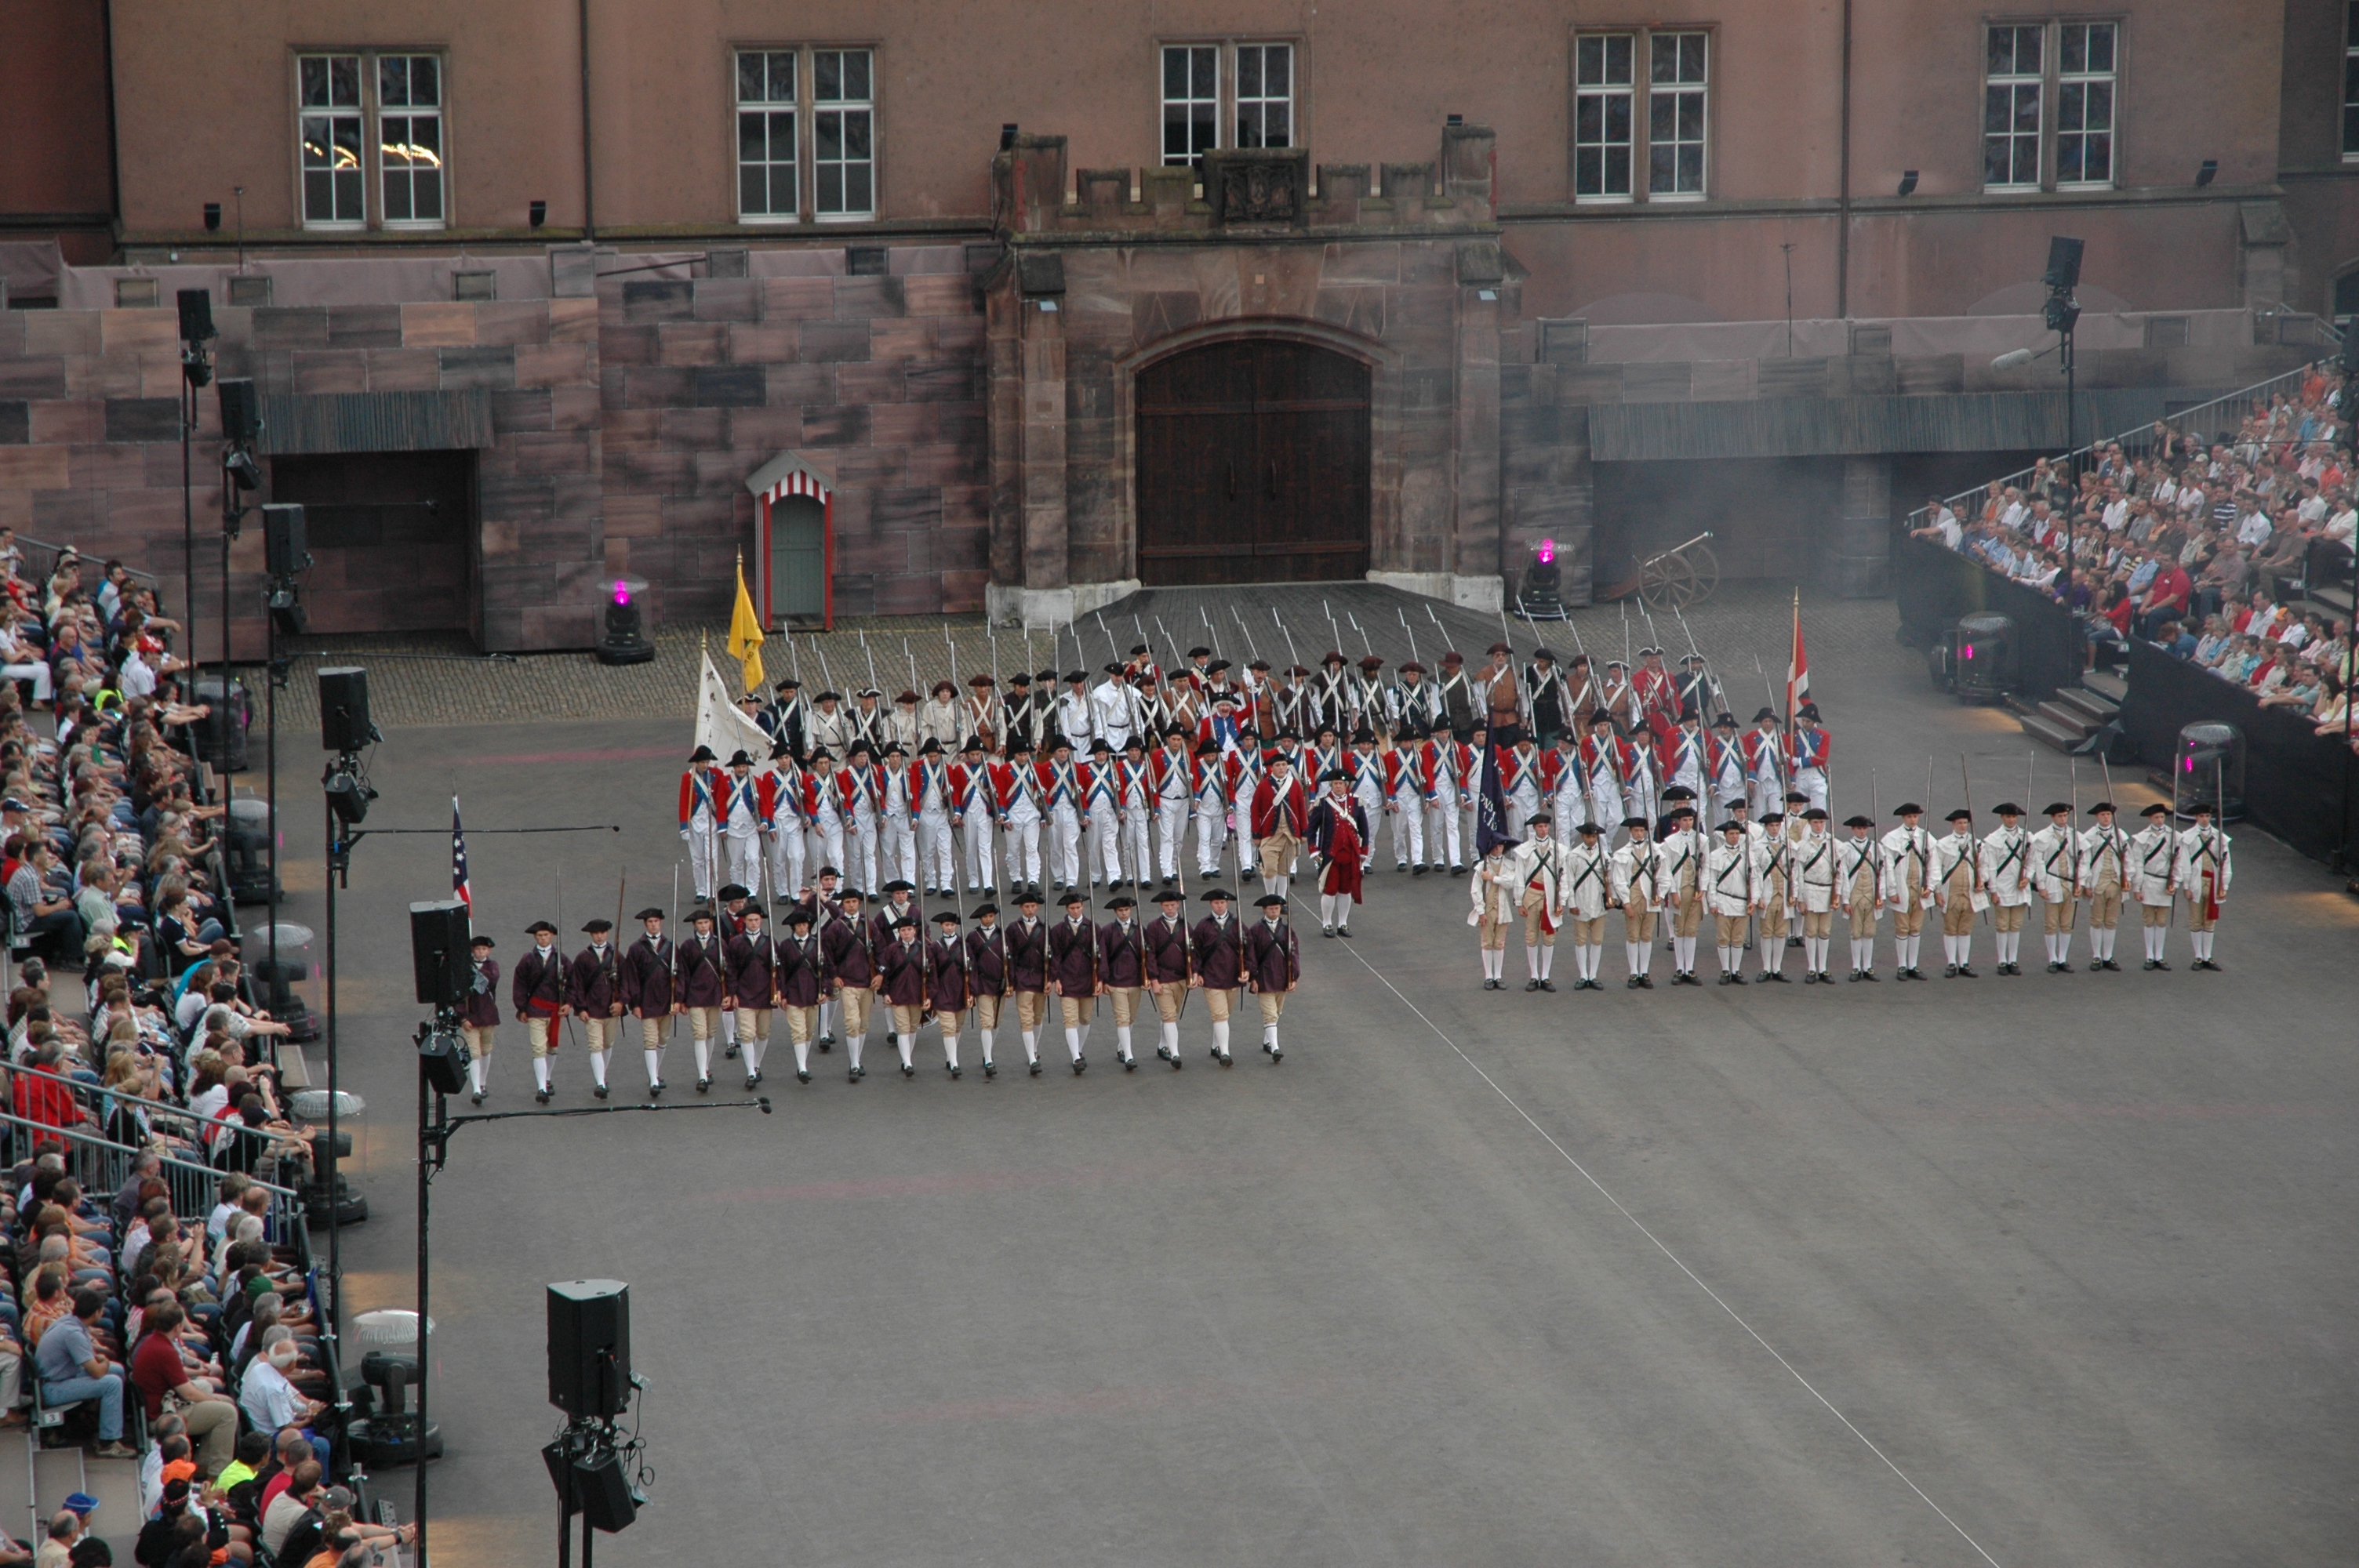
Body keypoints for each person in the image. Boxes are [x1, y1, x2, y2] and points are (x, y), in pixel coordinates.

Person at [129, 1300, 238, 1476]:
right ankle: (216, 1474)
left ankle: (202, 1464)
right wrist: (213, 1400)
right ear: (179, 1327)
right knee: (227, 1412)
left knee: (224, 1400)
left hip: (168, 1399)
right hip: (165, 1415)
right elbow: (188, 1392)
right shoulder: (164, 1350)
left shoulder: (155, 1340)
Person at [34, 1290, 133, 1459]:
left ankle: (105, 1421)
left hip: (63, 1377)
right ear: (96, 1313)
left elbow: (91, 1358)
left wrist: (102, 1362)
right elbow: (96, 1371)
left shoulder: (71, 1321)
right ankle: (107, 1443)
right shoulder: (73, 1334)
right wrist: (105, 1361)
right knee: (112, 1382)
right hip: (54, 1388)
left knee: (118, 1370)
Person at [511, 919, 569, 1104]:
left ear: (551, 936)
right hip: (535, 1009)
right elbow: (519, 985)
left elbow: (573, 983)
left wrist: (568, 1003)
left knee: (552, 1047)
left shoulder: (562, 959)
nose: (543, 938)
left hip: (555, 1009)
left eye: (545, 935)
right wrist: (521, 1008)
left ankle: (547, 1078)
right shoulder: (527, 960)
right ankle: (541, 1088)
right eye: (539, 936)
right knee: (538, 1048)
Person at [822, 887, 878, 1080]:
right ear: (843, 905)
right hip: (847, 982)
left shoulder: (870, 924)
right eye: (847, 902)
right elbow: (828, 954)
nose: (851, 905)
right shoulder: (836, 927)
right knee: (852, 1023)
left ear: (859, 903)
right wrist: (834, 975)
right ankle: (854, 1064)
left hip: (867, 982)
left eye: (854, 902)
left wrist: (880, 974)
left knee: (863, 1024)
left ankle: (857, 1059)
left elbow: (881, 950)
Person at [1307, 768, 1370, 938]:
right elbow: (1312, 829)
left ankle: (1343, 923)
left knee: (1346, 890)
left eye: (1341, 784)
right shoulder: (1323, 803)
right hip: (1330, 854)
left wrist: (1364, 851)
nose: (1338, 787)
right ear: (1331, 785)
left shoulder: (1356, 802)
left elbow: (1364, 828)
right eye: (1335, 784)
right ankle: (1327, 923)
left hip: (1350, 854)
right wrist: (1313, 849)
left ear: (1346, 785)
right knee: (1330, 890)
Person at [618, 907, 674, 1095]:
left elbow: (679, 975)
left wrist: (678, 999)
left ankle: (656, 1073)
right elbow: (631, 977)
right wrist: (634, 1004)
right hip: (646, 1001)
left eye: (656, 921)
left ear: (661, 923)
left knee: (663, 1039)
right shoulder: (635, 948)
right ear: (645, 924)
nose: (653, 925)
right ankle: (653, 1080)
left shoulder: (671, 946)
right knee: (650, 1040)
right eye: (650, 922)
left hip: (666, 1001)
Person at [722, 903, 778, 1087]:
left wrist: (778, 990)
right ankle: (750, 1072)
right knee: (747, 1035)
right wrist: (733, 992)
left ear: (760, 921)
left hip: (765, 994)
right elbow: (731, 970)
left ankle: (756, 1065)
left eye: (756, 920)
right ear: (744, 921)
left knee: (763, 1033)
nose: (754, 923)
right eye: (750, 920)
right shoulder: (736, 942)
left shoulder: (770, 942)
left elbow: (778, 970)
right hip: (744, 994)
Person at [1507, 813, 1564, 992]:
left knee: (1549, 936)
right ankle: (1534, 975)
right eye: (1540, 827)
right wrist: (1519, 902)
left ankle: (1546, 976)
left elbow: (1564, 877)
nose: (1543, 829)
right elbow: (1519, 877)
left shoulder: (1558, 849)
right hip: (1531, 895)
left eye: (1546, 827)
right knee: (1531, 935)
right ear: (1534, 829)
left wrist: (1562, 900)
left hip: (1551, 896)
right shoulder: (1524, 849)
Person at [568, 919, 623, 1098]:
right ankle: (600, 1082)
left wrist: (621, 1002)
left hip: (611, 1008)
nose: (599, 936)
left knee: (607, 1044)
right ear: (591, 935)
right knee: (596, 1046)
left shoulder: (617, 956)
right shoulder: (582, 958)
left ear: (607, 934)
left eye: (602, 933)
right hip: (591, 1009)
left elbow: (626, 981)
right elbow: (577, 986)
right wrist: (581, 1008)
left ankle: (603, 1076)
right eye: (596, 933)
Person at [2174, 800, 2232, 971]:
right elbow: (2185, 863)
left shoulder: (2220, 837)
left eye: (2207, 816)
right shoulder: (2188, 837)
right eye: (2201, 816)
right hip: (2196, 881)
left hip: (2214, 882)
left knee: (2209, 921)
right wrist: (2186, 886)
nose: (2205, 819)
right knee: (2195, 920)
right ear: (2196, 817)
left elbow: (2226, 863)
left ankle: (2208, 956)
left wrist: (2224, 885)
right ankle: (2198, 956)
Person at [674, 908, 727, 1091]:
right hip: (695, 996)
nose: (704, 926)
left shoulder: (720, 944)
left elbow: (726, 971)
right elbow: (683, 974)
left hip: (714, 994)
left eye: (706, 923)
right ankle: (702, 1076)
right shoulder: (688, 946)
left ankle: (706, 1067)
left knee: (711, 1033)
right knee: (700, 1034)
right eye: (700, 923)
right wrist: (681, 999)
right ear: (694, 926)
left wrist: (727, 993)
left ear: (710, 924)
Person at [1608, 815, 1664, 989]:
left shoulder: (1656, 851)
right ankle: (1633, 973)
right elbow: (1619, 880)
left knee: (1646, 936)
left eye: (1642, 830)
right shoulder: (1622, 854)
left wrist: (1660, 894)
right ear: (1631, 832)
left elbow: (1664, 876)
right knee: (1633, 936)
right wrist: (1626, 902)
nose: (1640, 834)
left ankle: (1644, 972)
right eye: (1636, 831)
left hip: (1650, 899)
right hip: (1633, 899)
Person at [1047, 890, 1100, 1073]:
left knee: (1085, 1018)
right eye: (1072, 908)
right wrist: (1057, 979)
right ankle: (1076, 1058)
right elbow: (1056, 957)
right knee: (1070, 1020)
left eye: (1078, 907)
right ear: (1067, 909)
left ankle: (1078, 1049)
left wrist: (1099, 979)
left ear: (1083, 907)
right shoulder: (1058, 930)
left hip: (1087, 979)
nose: (1075, 911)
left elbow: (1099, 957)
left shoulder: (1094, 928)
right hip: (1067, 979)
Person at [1190, 889, 1245, 1064]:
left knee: (1225, 1014)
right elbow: (1195, 951)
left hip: (1232, 977)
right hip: (1211, 977)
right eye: (1216, 903)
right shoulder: (1203, 926)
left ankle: (1216, 1045)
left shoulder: (1238, 925)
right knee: (1220, 1015)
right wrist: (1196, 972)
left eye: (1222, 903)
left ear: (1227, 903)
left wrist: (1248, 970)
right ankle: (1225, 1053)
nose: (1220, 906)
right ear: (1211, 905)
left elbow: (1248, 949)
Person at [1880, 804, 1934, 980]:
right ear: (1903, 818)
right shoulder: (1892, 838)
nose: (1913, 820)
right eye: (1909, 817)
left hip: (1919, 888)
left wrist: (1931, 886)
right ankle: (1902, 965)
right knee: (1902, 928)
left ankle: (1913, 965)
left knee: (1916, 927)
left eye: (1915, 817)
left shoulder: (1926, 837)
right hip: (1902, 888)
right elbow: (1888, 867)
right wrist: (1892, 890)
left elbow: (1934, 864)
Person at [1979, 804, 2034, 975]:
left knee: (2016, 925)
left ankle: (2013, 960)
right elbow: (1991, 868)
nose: (2011, 820)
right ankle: (2002, 961)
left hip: (2019, 888)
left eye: (2014, 817)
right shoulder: (1993, 840)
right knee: (2002, 925)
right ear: (2002, 818)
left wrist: (2028, 878)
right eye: (2008, 817)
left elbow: (2033, 861)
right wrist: (1993, 891)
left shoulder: (2027, 837)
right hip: (2002, 887)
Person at [1243, 895, 1299, 1062]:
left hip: (1282, 975)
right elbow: (1250, 956)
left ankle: (1268, 1041)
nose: (1274, 911)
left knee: (1277, 1011)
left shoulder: (1288, 931)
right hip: (1264, 977)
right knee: (1270, 1015)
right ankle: (1275, 1048)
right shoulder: (1256, 930)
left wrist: (1294, 977)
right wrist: (1253, 977)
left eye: (1276, 908)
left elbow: (1294, 955)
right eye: (1270, 909)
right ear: (1264, 910)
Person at [1704, 819, 1761, 984]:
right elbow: (1712, 881)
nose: (1735, 837)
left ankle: (1736, 970)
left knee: (1738, 938)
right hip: (1723, 900)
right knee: (1723, 938)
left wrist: (1754, 900)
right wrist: (1712, 903)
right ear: (1725, 836)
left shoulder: (1748, 855)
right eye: (1732, 834)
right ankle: (1725, 970)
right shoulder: (1715, 855)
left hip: (1742, 901)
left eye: (1737, 834)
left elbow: (1755, 879)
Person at [2026, 804, 2081, 973]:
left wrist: (2081, 882)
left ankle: (2063, 958)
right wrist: (2041, 885)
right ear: (2053, 818)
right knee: (2051, 923)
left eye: (2065, 816)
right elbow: (2038, 862)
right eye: (2060, 816)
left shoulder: (2075, 836)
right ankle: (2052, 958)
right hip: (2052, 881)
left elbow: (2082, 860)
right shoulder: (2042, 837)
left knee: (2066, 924)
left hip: (2070, 882)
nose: (2063, 819)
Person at [774, 904, 826, 1083]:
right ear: (794, 928)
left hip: (812, 992)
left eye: (805, 925)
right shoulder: (786, 946)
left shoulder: (817, 944)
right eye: (799, 925)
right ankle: (803, 1068)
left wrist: (824, 990)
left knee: (809, 1032)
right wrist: (783, 993)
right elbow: (781, 972)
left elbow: (824, 969)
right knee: (798, 1032)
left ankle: (802, 1063)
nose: (803, 928)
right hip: (794, 992)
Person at [1094, 895, 1147, 1069]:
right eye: (1121, 910)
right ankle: (1129, 1055)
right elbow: (1104, 957)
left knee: (1131, 1017)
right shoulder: (1108, 931)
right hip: (1116, 981)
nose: (1124, 913)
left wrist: (1146, 976)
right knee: (1122, 1018)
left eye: (1127, 910)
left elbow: (1146, 956)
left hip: (1135, 980)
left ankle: (1122, 1047)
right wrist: (1105, 979)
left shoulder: (1139, 930)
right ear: (1116, 912)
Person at [1560, 822, 1612, 990]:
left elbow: (1610, 880)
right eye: (1589, 836)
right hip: (1580, 902)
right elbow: (1568, 881)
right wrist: (1572, 903)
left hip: (1598, 902)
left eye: (1594, 836)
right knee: (1581, 940)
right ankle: (1583, 975)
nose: (1591, 840)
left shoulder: (1604, 856)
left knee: (1597, 940)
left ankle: (1594, 975)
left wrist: (1611, 899)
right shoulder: (1573, 855)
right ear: (1583, 837)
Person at [2077, 801, 2129, 971]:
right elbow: (2084, 862)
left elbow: (2128, 859)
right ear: (2097, 817)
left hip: (2114, 882)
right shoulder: (2089, 836)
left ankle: (2108, 956)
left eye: (2108, 815)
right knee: (2097, 920)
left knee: (2111, 921)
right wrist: (2085, 883)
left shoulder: (2120, 835)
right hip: (2097, 883)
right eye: (2103, 815)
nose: (2106, 818)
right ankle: (2096, 956)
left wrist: (2127, 878)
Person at [1931, 809, 1983, 977]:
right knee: (1951, 928)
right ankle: (1951, 963)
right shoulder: (1942, 844)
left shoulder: (1977, 844)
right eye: (1960, 823)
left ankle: (1964, 963)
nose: (1963, 826)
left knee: (1966, 929)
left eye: (1965, 823)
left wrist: (1982, 881)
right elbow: (1935, 869)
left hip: (1969, 892)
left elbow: (1984, 866)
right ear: (1953, 824)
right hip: (1951, 892)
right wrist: (1937, 891)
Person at [1142, 888, 1191, 1068]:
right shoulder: (1154, 926)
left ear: (1177, 905)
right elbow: (1150, 954)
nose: (1170, 908)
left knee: (1171, 1015)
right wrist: (1153, 979)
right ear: (1161, 906)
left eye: (1172, 905)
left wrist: (1192, 974)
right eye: (1166, 905)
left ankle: (1163, 1045)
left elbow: (1191, 953)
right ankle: (1175, 1053)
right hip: (1162, 978)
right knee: (1169, 1016)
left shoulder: (1186, 926)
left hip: (1180, 979)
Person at [1252, 748, 1308, 900]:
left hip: (1290, 834)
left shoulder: (1294, 784)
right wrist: (1256, 834)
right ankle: (1270, 898)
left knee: (1284, 870)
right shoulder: (1263, 785)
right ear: (1272, 767)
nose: (1281, 768)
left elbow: (1301, 808)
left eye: (1284, 765)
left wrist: (1304, 831)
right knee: (1269, 869)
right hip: (1270, 834)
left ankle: (1281, 899)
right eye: (1278, 765)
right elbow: (1255, 810)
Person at [876, 912, 926, 1078]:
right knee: (902, 1029)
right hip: (897, 994)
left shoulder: (925, 949)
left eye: (909, 929)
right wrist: (885, 993)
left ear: (915, 931)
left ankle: (907, 1058)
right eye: (903, 930)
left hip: (917, 994)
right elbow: (886, 972)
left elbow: (931, 975)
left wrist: (930, 995)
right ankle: (908, 1062)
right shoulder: (891, 950)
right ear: (899, 933)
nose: (906, 933)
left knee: (912, 1028)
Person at [1835, 814, 1885, 981]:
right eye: (1859, 829)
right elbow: (1843, 875)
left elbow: (1882, 872)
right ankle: (1856, 967)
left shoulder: (1875, 847)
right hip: (1855, 894)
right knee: (1856, 932)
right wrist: (1845, 900)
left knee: (1869, 932)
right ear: (1853, 830)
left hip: (1871, 893)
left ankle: (1868, 967)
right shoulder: (1846, 848)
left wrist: (1881, 895)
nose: (1862, 832)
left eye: (1864, 829)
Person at [963, 902, 1009, 1078]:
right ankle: (989, 1059)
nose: (988, 919)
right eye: (985, 917)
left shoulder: (1002, 935)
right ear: (980, 918)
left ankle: (987, 1052)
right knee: (987, 1022)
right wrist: (972, 986)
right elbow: (970, 963)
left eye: (991, 916)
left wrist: (1009, 982)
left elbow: (1008, 960)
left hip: (1000, 983)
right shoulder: (973, 937)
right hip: (982, 983)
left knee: (996, 1022)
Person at [925, 910, 970, 1077]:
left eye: (952, 925)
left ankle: (950, 1057)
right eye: (946, 925)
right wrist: (931, 993)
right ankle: (954, 1063)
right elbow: (931, 972)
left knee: (958, 1026)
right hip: (942, 991)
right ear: (941, 926)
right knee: (948, 1028)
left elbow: (971, 970)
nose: (950, 928)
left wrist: (970, 991)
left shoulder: (964, 946)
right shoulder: (935, 947)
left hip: (960, 990)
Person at [1470, 838, 1518, 989]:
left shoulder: (1510, 866)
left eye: (1501, 846)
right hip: (1488, 909)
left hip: (1503, 909)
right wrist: (1481, 911)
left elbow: (1511, 883)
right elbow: (1476, 890)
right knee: (1487, 942)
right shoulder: (1480, 867)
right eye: (1495, 846)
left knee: (1499, 943)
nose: (1498, 849)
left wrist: (1492, 878)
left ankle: (1498, 975)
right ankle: (1488, 976)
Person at [457, 935, 499, 1104]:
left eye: (484, 949)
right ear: (472, 951)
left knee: (486, 1050)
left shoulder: (492, 966)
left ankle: (483, 1083)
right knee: (474, 1053)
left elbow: (490, 981)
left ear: (489, 951)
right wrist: (462, 1017)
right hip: (471, 1017)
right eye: (477, 949)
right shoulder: (464, 967)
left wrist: (472, 972)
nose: (481, 952)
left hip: (488, 1015)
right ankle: (476, 1089)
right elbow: (459, 995)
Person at [678, 744, 722, 901]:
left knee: (711, 858)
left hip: (712, 821)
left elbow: (721, 800)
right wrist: (684, 826)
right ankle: (701, 891)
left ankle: (711, 890)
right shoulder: (687, 777)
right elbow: (684, 802)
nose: (705, 765)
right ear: (696, 762)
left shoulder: (717, 775)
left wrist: (723, 823)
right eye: (702, 762)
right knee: (697, 859)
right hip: (695, 822)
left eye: (707, 762)